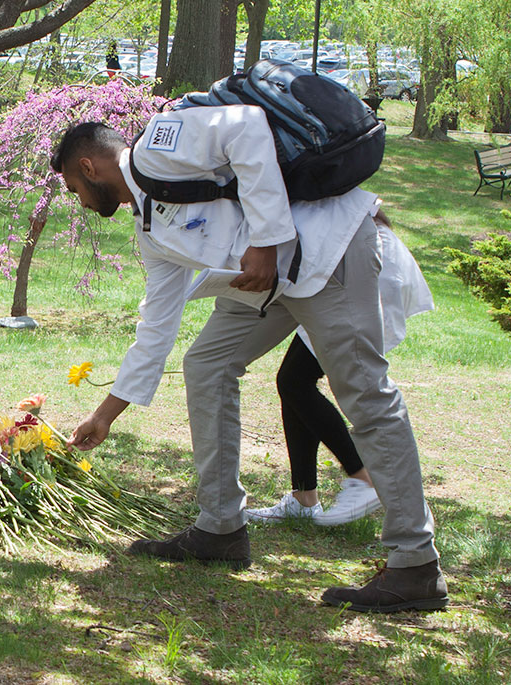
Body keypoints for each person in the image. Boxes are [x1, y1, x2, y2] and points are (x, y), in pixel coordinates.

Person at [53, 105, 446, 613]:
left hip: (326, 253)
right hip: (269, 281)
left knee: (364, 393)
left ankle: (415, 564)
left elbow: (246, 126)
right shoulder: (149, 229)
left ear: (88, 168)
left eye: (74, 189)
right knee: (207, 364)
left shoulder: (159, 144)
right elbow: (155, 330)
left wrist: (264, 241)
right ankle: (220, 529)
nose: (80, 202)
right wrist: (104, 416)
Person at [245, 204, 434, 526]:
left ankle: (363, 476)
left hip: (360, 275)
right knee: (293, 382)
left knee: (299, 382)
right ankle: (304, 498)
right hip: (338, 271)